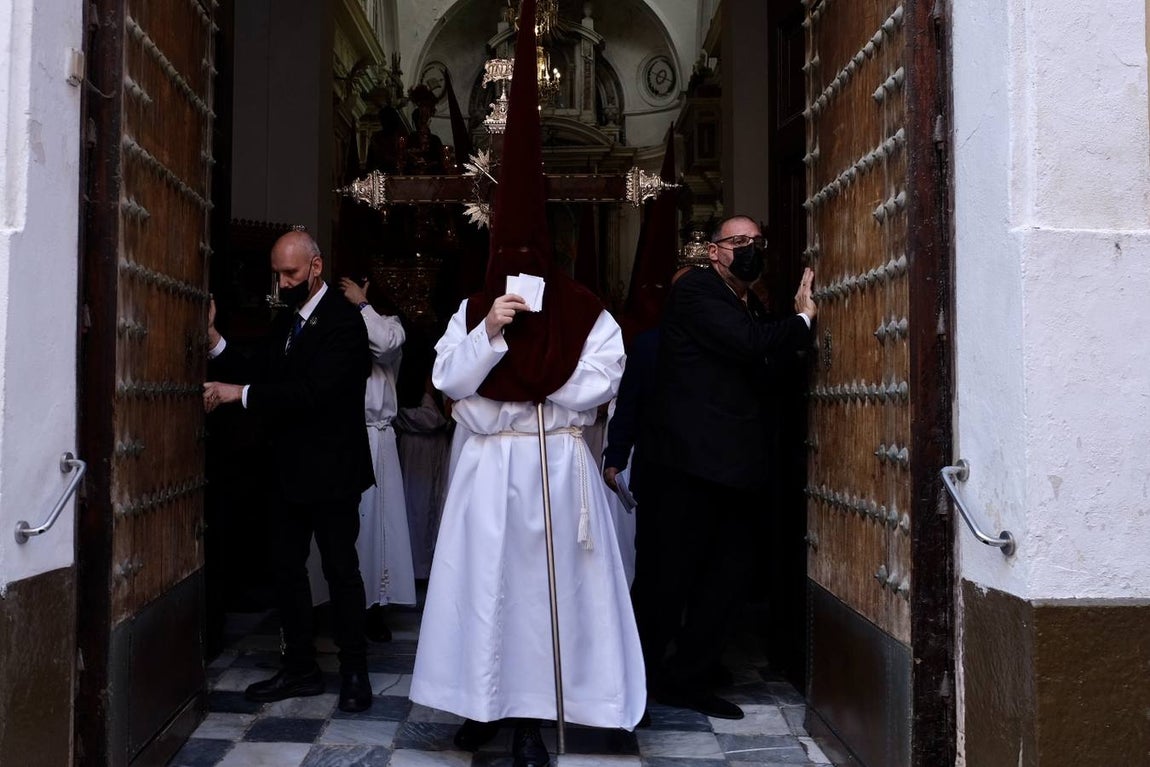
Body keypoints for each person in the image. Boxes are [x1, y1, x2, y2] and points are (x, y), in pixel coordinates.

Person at [409, 2, 644, 764]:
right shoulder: (474, 310)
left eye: (528, 247)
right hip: (487, 476)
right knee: (485, 599)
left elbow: (598, 379)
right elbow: (450, 380)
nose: (518, 260)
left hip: (555, 467)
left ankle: (555, 709)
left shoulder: (583, 309)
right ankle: (482, 705)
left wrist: (521, 395)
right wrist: (493, 334)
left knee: (555, 603)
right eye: (504, 248)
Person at [637, 215, 817, 721]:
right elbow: (751, 346)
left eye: (758, 241)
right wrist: (802, 320)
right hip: (684, 470)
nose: (750, 249)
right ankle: (634, 683)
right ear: (714, 251)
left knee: (727, 578)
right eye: (738, 242)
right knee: (666, 582)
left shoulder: (749, 303)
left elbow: (766, 366)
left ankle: (689, 678)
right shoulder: (697, 291)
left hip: (733, 470)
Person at [203, 230, 375, 713]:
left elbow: (312, 393)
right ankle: (299, 667)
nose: (281, 283)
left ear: (315, 267)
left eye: (291, 274)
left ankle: (355, 672)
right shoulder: (285, 323)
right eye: (277, 273)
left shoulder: (345, 323)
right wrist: (215, 340)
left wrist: (241, 394)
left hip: (334, 472)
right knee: (286, 571)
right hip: (285, 472)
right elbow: (259, 371)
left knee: (342, 571)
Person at [337, 277, 418, 640]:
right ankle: (345, 604)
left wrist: (362, 305)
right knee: (349, 525)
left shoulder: (390, 327)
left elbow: (384, 345)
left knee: (377, 526)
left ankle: (375, 607)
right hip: (345, 433)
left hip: (377, 438)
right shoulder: (341, 327)